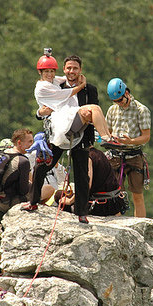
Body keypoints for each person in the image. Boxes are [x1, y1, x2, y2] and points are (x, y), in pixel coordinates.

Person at [23, 50, 118, 223]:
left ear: (80, 70)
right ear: (64, 70)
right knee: (42, 165)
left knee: (82, 174)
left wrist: (85, 124)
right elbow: (43, 108)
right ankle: (33, 200)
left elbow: (94, 112)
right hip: (58, 132)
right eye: (68, 68)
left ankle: (81, 212)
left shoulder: (90, 90)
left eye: (75, 68)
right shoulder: (56, 85)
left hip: (81, 133)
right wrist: (39, 113)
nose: (71, 71)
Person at [105, 78, 151, 217]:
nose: (118, 103)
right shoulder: (112, 110)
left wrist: (130, 141)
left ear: (127, 93)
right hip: (115, 155)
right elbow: (107, 131)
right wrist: (110, 139)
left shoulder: (141, 110)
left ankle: (140, 227)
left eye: (120, 100)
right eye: (115, 101)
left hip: (134, 155)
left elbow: (146, 136)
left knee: (137, 195)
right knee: (115, 195)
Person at [56, 147, 128, 216]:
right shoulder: (99, 153)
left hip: (101, 205)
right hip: (114, 202)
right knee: (63, 194)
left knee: (59, 195)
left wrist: (70, 201)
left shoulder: (87, 157)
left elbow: (86, 186)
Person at [0, 128, 33, 217]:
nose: (32, 145)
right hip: (8, 204)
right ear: (19, 143)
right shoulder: (23, 161)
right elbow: (23, 190)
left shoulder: (2, 155)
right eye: (29, 142)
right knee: (48, 189)